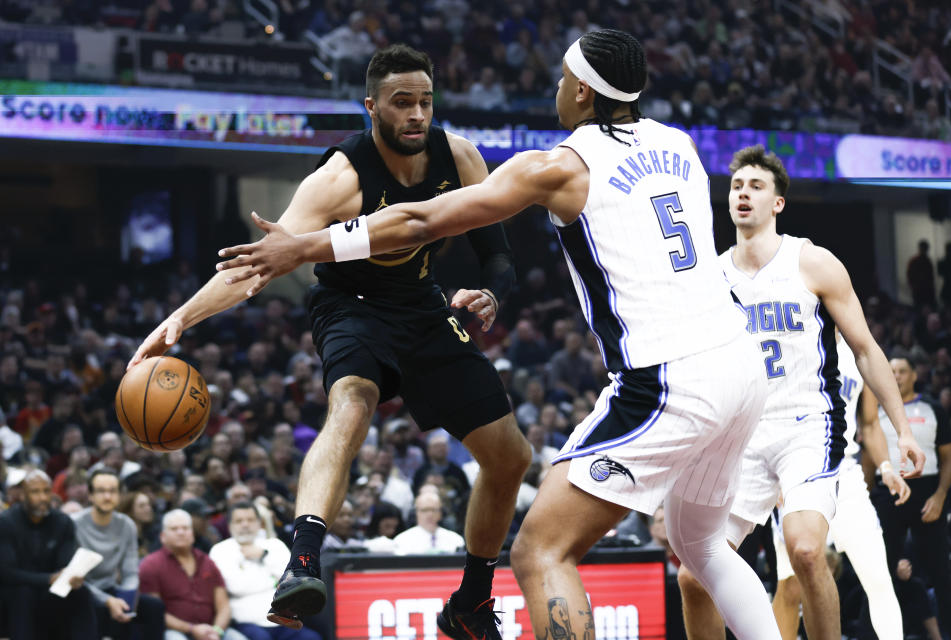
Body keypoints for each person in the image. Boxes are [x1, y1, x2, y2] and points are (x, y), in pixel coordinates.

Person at [217, 29, 784, 640]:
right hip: (741, 368)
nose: (557, 90)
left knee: (541, 551)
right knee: (703, 547)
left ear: (586, 93)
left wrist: (305, 245)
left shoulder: (558, 166)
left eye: (565, 80)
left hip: (672, 377)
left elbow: (420, 218)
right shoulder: (681, 145)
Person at [130, 43, 530, 636]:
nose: (417, 114)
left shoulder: (461, 157)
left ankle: (470, 602)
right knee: (353, 402)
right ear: (371, 107)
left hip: (423, 306)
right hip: (352, 306)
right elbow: (255, 266)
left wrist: (492, 294)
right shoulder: (339, 177)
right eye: (401, 103)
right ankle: (304, 561)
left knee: (511, 456)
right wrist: (181, 320)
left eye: (425, 101)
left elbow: (497, 255)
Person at [677, 145, 924, 640]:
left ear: (778, 204)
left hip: (807, 426)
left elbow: (869, 351)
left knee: (806, 549)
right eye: (736, 186)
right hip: (741, 435)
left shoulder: (811, 262)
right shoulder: (710, 277)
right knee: (692, 575)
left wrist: (903, 431)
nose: (743, 194)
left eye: (756, 186)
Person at [769, 335, 907, 640]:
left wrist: (885, 468)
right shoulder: (793, 343)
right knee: (790, 587)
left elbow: (869, 423)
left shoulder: (860, 352)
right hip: (796, 472)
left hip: (844, 472)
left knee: (879, 579)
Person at [872, 357, 951, 637]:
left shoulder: (932, 408)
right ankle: (870, 633)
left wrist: (940, 496)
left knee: (941, 576)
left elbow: (948, 459)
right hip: (888, 491)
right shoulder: (875, 409)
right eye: (891, 371)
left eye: (901, 371)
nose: (896, 376)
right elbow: (866, 458)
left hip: (927, 494)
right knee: (880, 574)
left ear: (913, 376)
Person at [0, 469, 98, 640]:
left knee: (81, 592)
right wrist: (48, 579)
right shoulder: (6, 522)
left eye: (46, 491)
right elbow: (7, 573)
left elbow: (64, 564)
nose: (43, 498)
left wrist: (72, 576)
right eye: (35, 492)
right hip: (16, 591)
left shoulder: (63, 522)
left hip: (51, 591)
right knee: (23, 593)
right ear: (23, 495)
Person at [75, 469, 165, 640]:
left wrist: (126, 599)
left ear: (119, 495)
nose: (107, 497)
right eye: (101, 491)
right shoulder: (74, 524)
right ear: (91, 495)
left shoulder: (127, 525)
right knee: (91, 606)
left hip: (112, 589)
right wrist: (109, 601)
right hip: (83, 592)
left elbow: (130, 573)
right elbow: (74, 577)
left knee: (153, 607)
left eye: (112, 491)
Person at [209, 501, 321, 640]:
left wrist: (263, 556)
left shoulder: (274, 545)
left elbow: (293, 581)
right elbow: (235, 587)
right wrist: (273, 581)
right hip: (246, 623)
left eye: (250, 520)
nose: (245, 524)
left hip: (283, 621)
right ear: (230, 525)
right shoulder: (220, 550)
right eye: (239, 521)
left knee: (312, 638)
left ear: (258, 522)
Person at [139, 509, 246, 640]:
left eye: (185, 528)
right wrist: (191, 629)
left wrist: (216, 631)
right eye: (174, 529)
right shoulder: (151, 564)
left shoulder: (207, 562)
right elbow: (154, 612)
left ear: (193, 534)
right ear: (162, 536)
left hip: (212, 630)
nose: (181, 532)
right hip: (174, 632)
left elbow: (224, 606)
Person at [393, 490, 465, 555]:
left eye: (433, 510)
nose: (430, 514)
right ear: (416, 513)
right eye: (425, 510)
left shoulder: (455, 539)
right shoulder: (402, 540)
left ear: (440, 513)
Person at [907, 239, 935, 309]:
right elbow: (910, 275)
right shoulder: (918, 261)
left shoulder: (926, 261)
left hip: (924, 290)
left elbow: (930, 277)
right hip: (920, 290)